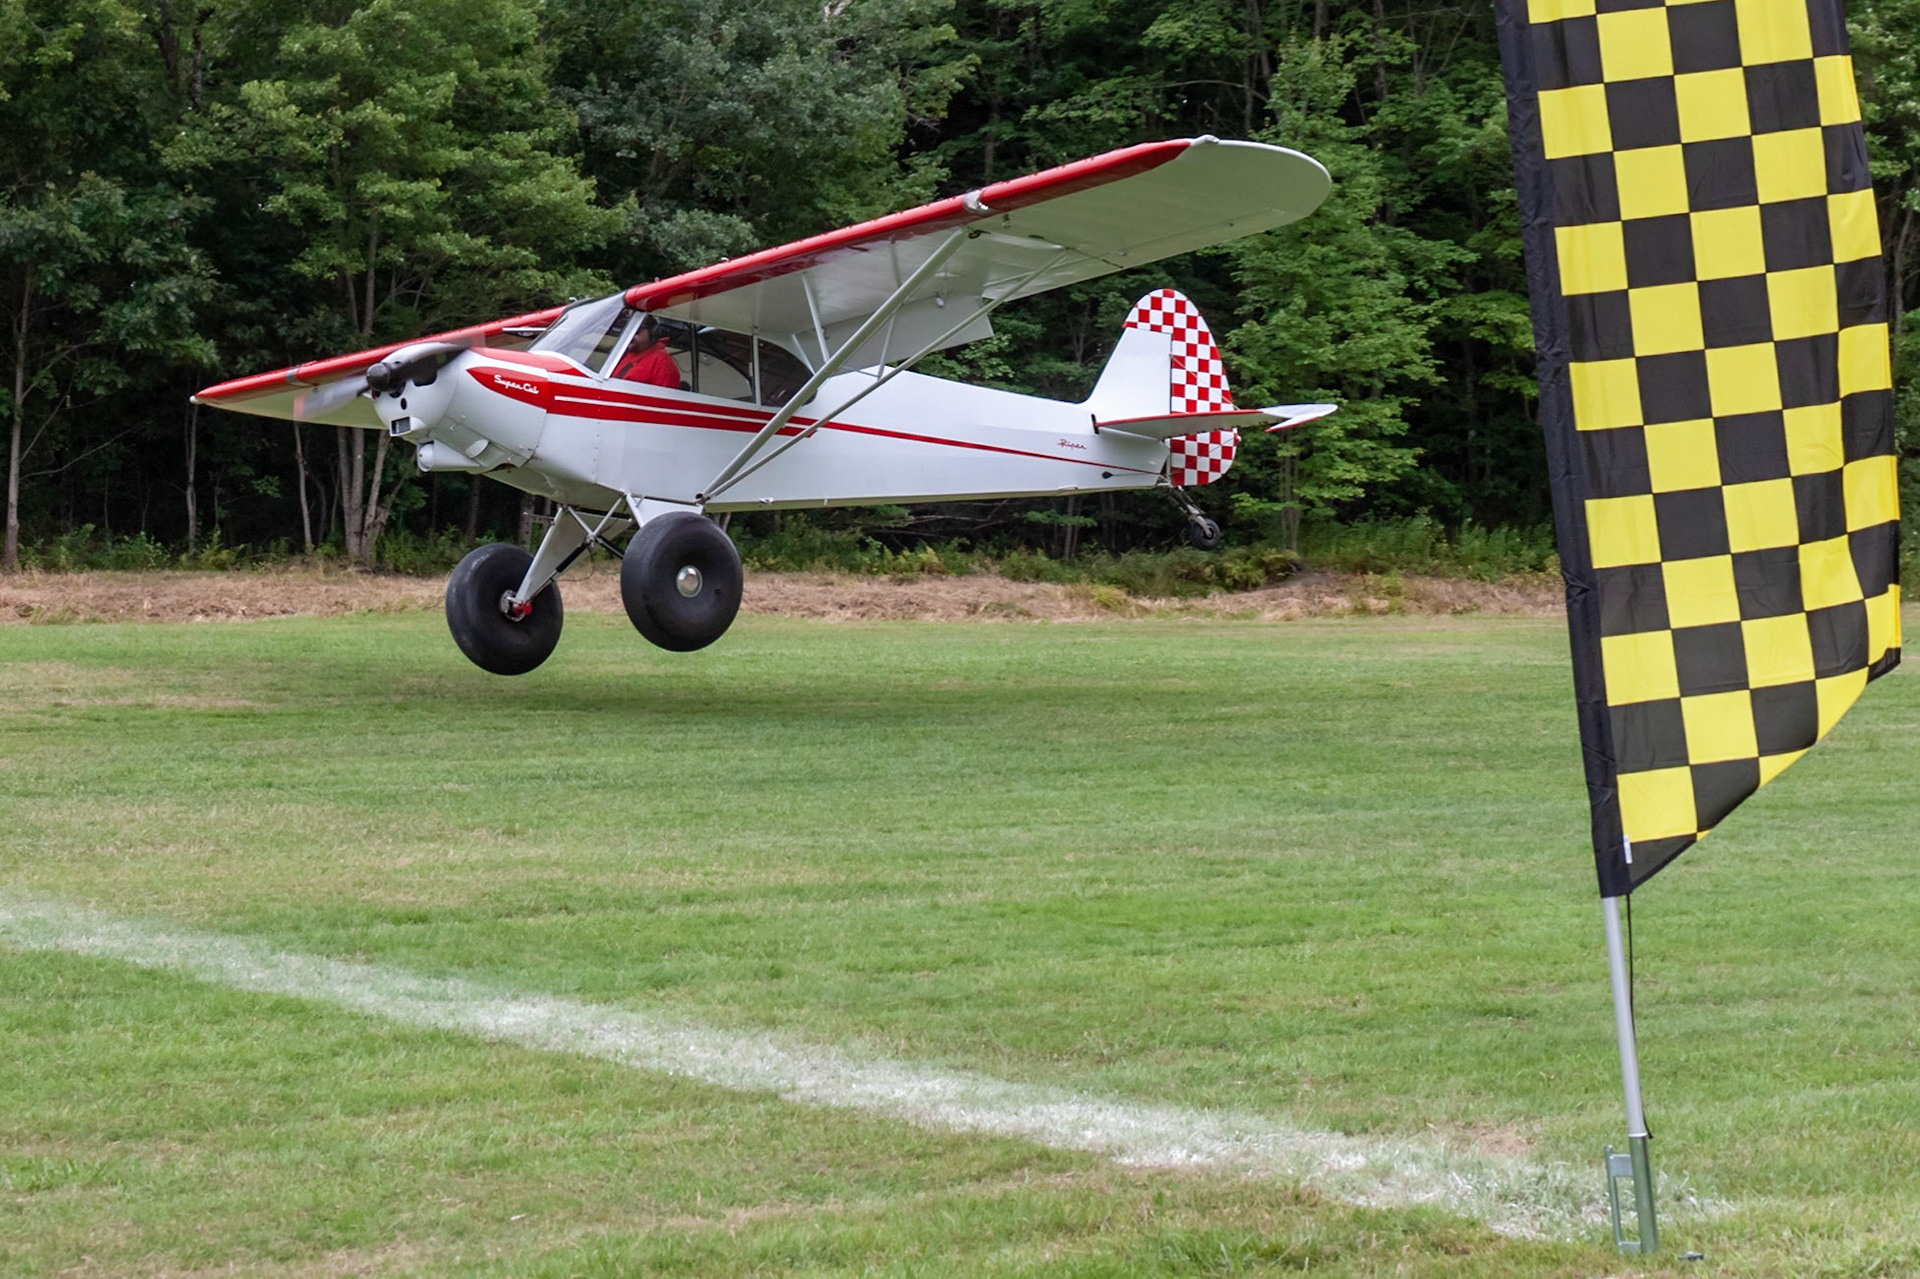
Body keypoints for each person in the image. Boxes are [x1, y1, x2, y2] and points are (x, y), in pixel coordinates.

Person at [612, 315, 681, 388]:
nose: (630, 336)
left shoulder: (662, 361)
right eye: (628, 332)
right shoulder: (624, 355)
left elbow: (665, 397)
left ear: (652, 333)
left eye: (637, 332)